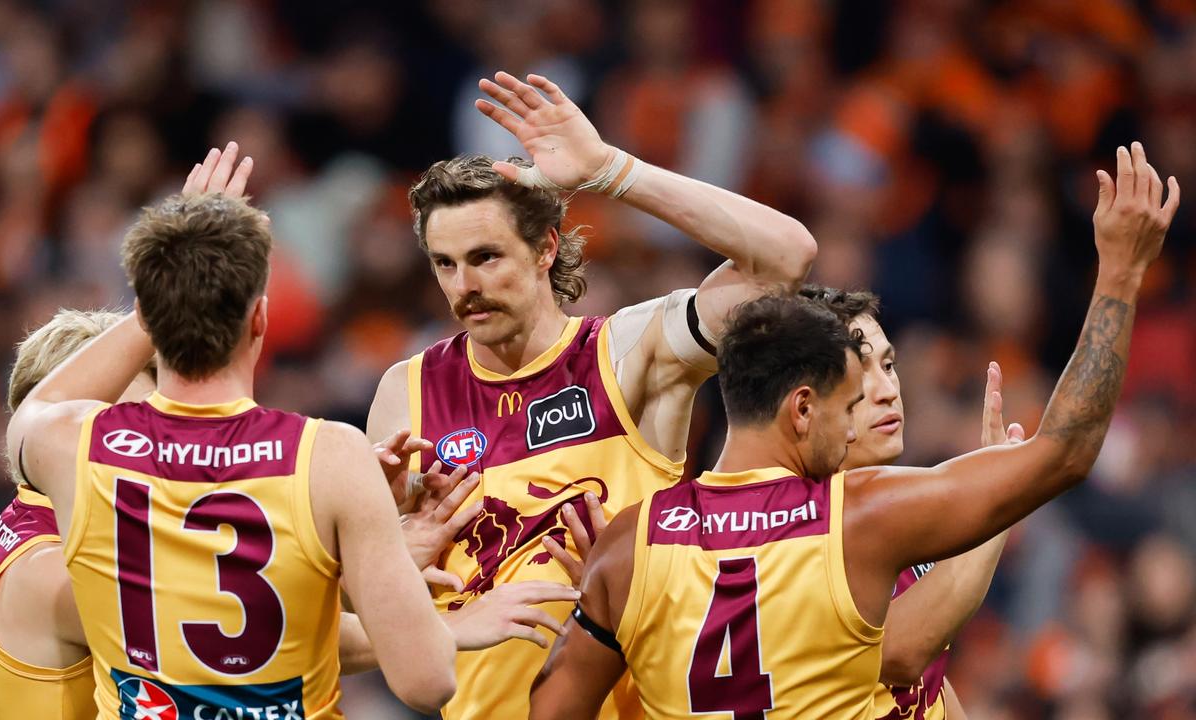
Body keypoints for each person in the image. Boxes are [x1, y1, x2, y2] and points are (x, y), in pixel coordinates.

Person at [528, 143, 1178, 718]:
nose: (876, 400)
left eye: (888, 368)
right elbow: (1065, 452)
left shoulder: (629, 543)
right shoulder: (853, 519)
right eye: (850, 397)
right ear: (803, 409)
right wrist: (1119, 272)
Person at [367, 70, 817, 720]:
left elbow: (785, 257)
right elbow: (364, 607)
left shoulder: (625, 355)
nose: (463, 284)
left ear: (546, 248)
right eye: (444, 263)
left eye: (487, 256)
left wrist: (608, 169)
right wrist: (386, 553)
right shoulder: (406, 391)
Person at [6, 144, 459, 719]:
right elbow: (427, 680)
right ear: (261, 320)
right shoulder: (330, 455)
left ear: (151, 314)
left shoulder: (69, 443)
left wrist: (167, 281)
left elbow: (39, 402)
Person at [802, 286, 1021, 719]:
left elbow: (924, 694)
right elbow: (902, 653)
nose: (886, 390)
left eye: (888, 365)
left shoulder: (892, 514)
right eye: (859, 373)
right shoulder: (807, 524)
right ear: (806, 401)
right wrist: (1000, 497)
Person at [0, 310, 153, 720]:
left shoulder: (47, 512)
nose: (147, 450)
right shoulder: (50, 571)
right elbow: (244, 631)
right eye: (119, 433)